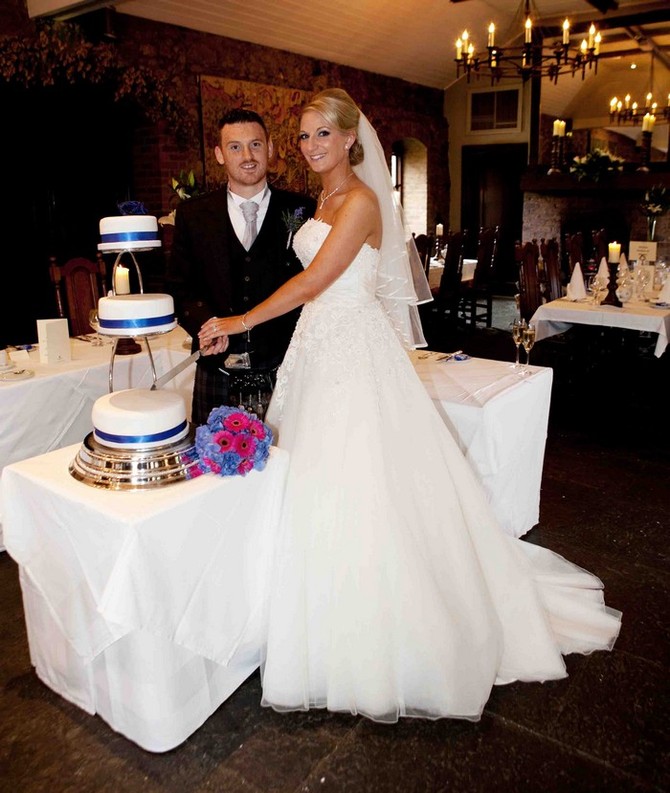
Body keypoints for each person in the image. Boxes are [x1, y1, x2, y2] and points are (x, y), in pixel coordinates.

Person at [199, 89, 621, 723]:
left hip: (352, 350)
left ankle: (380, 634)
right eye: (305, 135)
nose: (311, 146)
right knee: (314, 476)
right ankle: (305, 610)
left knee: (362, 477)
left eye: (323, 134)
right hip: (318, 348)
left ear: (349, 140)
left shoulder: (364, 201)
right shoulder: (323, 198)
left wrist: (239, 319)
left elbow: (318, 281)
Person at [167, 108, 316, 424]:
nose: (247, 155)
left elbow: (314, 283)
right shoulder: (192, 215)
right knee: (214, 466)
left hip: (286, 366)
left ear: (270, 148)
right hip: (217, 369)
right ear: (220, 154)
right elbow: (180, 287)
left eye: (256, 145)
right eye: (235, 147)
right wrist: (206, 325)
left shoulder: (303, 209)